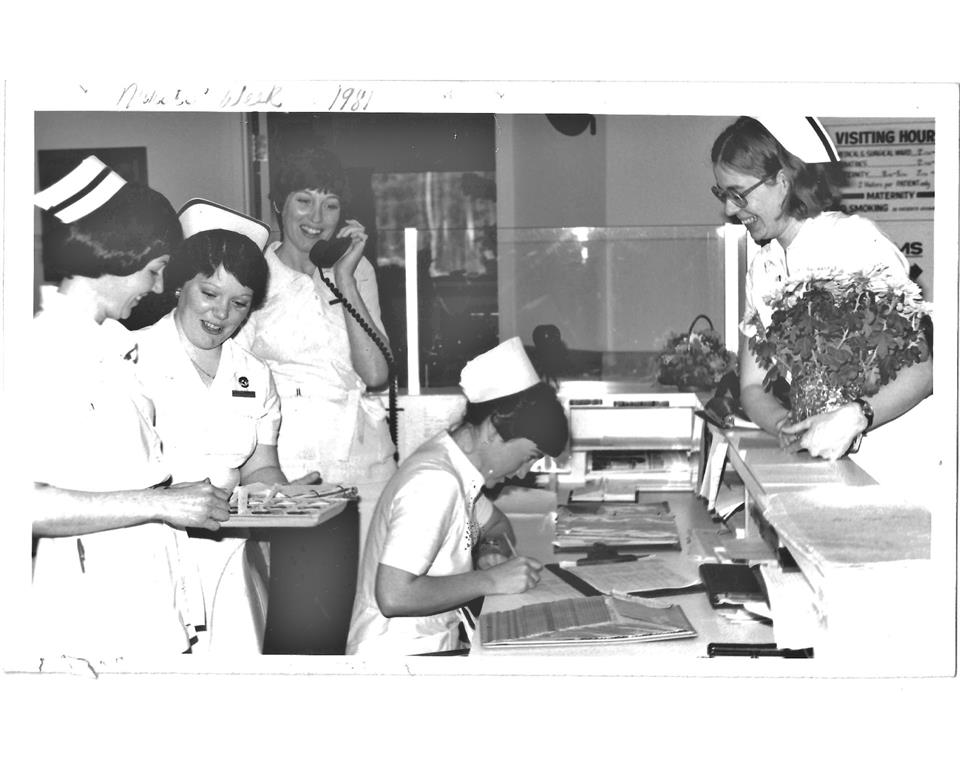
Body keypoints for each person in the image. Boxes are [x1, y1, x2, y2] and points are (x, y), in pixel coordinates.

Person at [29, 156, 230, 661]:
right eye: (155, 269)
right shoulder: (46, 350)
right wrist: (162, 503)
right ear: (119, 256)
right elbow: (25, 504)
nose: (158, 288)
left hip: (138, 590)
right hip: (95, 610)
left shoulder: (108, 347)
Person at [134, 199, 318, 652]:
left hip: (231, 558)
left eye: (239, 303)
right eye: (210, 295)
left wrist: (283, 495)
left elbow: (259, 467)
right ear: (179, 286)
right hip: (154, 555)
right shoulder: (133, 359)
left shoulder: (253, 374)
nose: (221, 315)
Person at [710, 116, 935, 483]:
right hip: (827, 464)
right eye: (722, 194)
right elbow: (752, 385)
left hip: (897, 462)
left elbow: (924, 370)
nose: (730, 210)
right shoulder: (763, 269)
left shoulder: (852, 243)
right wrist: (785, 423)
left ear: (782, 182)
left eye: (739, 194)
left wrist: (857, 415)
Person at [346, 337, 569, 655]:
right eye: (528, 456)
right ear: (495, 428)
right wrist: (490, 580)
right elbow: (394, 596)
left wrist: (488, 551)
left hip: (431, 645)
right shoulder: (435, 483)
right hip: (392, 658)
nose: (523, 473)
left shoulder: (458, 466)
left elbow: (497, 524)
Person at [235, 147, 396, 551]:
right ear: (279, 206)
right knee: (303, 592)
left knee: (369, 586)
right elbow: (237, 381)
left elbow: (376, 374)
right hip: (289, 463)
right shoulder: (254, 271)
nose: (316, 218)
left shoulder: (357, 270)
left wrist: (344, 277)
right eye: (304, 201)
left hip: (365, 457)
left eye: (330, 205)